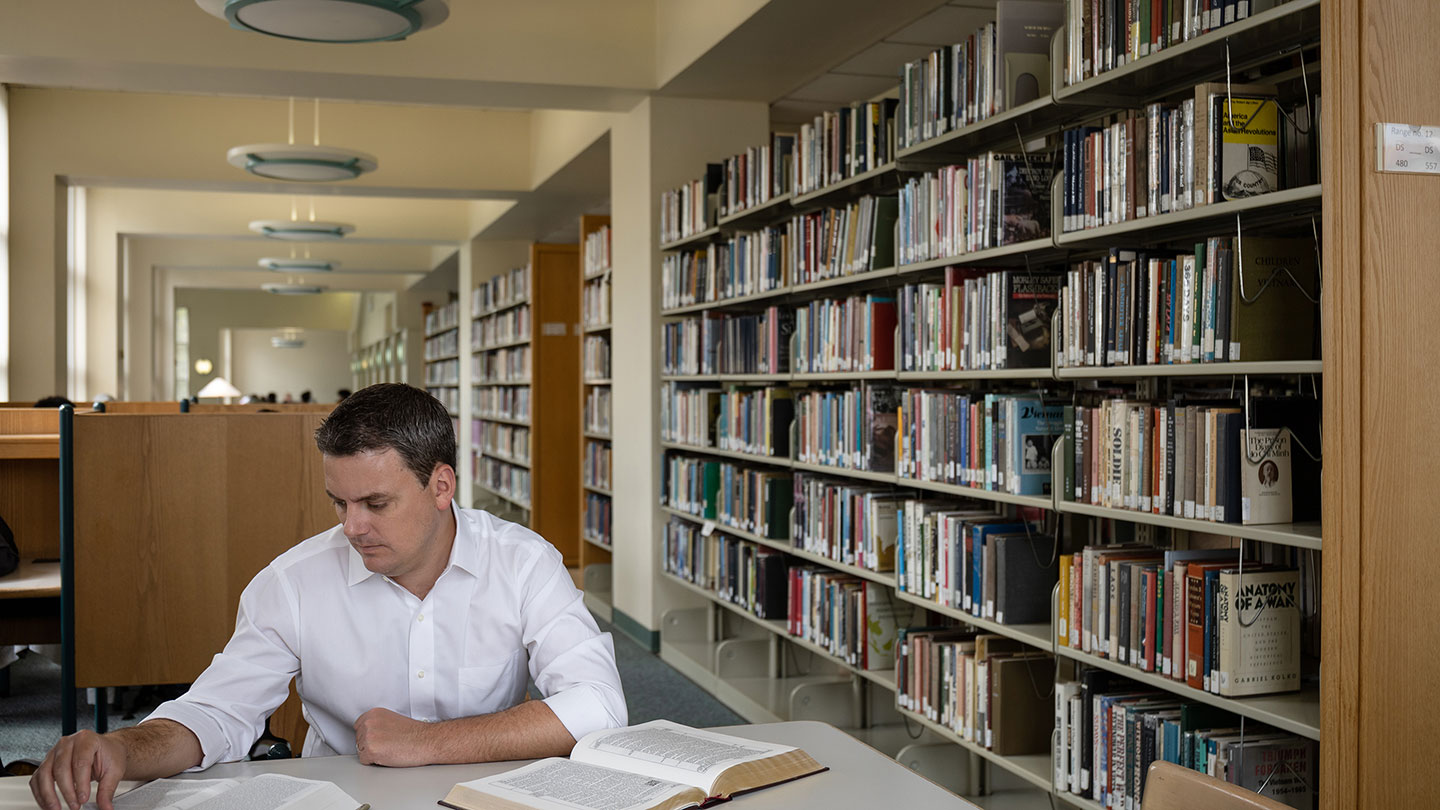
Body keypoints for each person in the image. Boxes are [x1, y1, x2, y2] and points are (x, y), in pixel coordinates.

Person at [32, 383, 626, 810]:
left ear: (441, 485)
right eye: (339, 503)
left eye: (375, 503)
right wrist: (121, 748)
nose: (352, 527)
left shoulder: (523, 563)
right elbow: (219, 712)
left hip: (484, 799)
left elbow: (599, 704)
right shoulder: (292, 582)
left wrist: (426, 742)